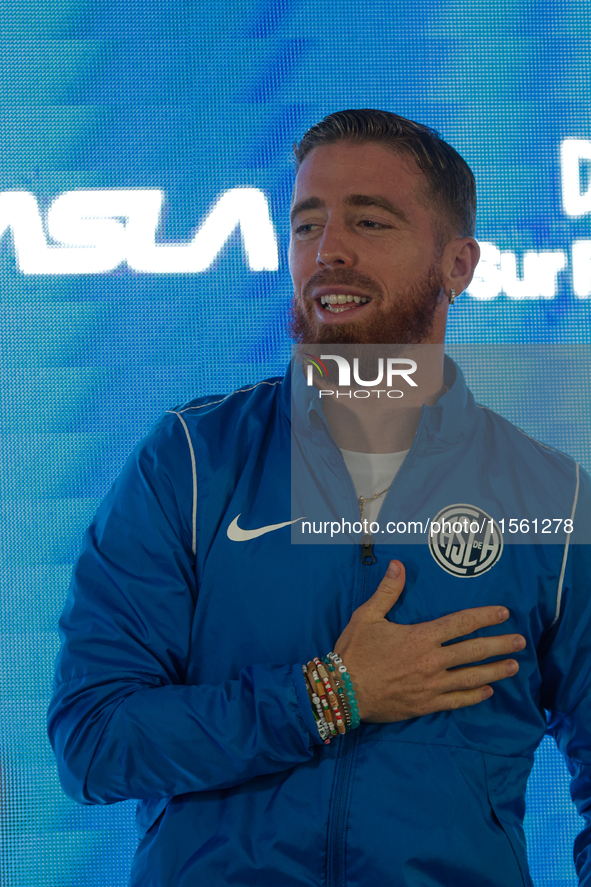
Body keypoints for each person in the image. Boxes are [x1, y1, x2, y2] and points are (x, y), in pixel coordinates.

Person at [47, 109, 591, 886]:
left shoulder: (551, 498)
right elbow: (91, 740)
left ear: (458, 264)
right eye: (306, 225)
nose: (327, 250)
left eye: (369, 221)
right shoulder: (194, 462)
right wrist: (328, 694)